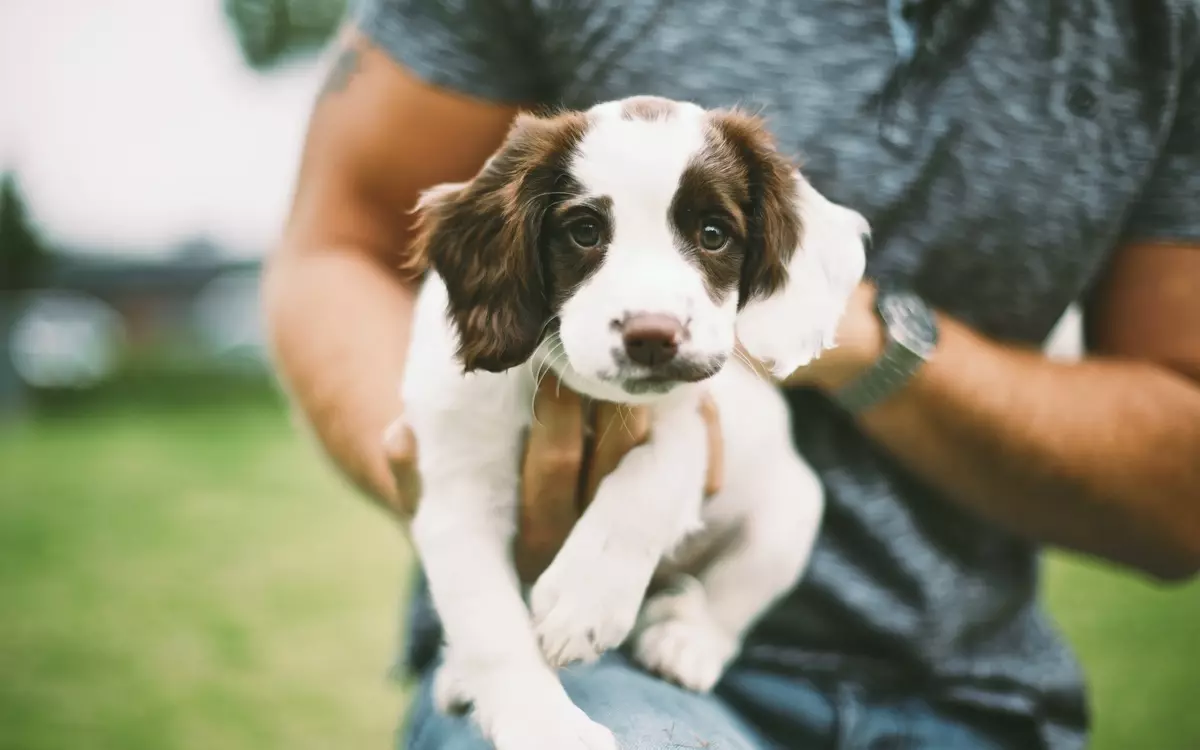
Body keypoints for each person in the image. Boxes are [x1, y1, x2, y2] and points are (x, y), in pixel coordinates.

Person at [261, 1, 1200, 747]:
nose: (652, 307)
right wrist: (456, 505)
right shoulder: (515, 218)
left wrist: (862, 341)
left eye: (712, 234)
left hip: (968, 693)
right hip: (588, 675)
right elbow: (343, 235)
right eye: (582, 231)